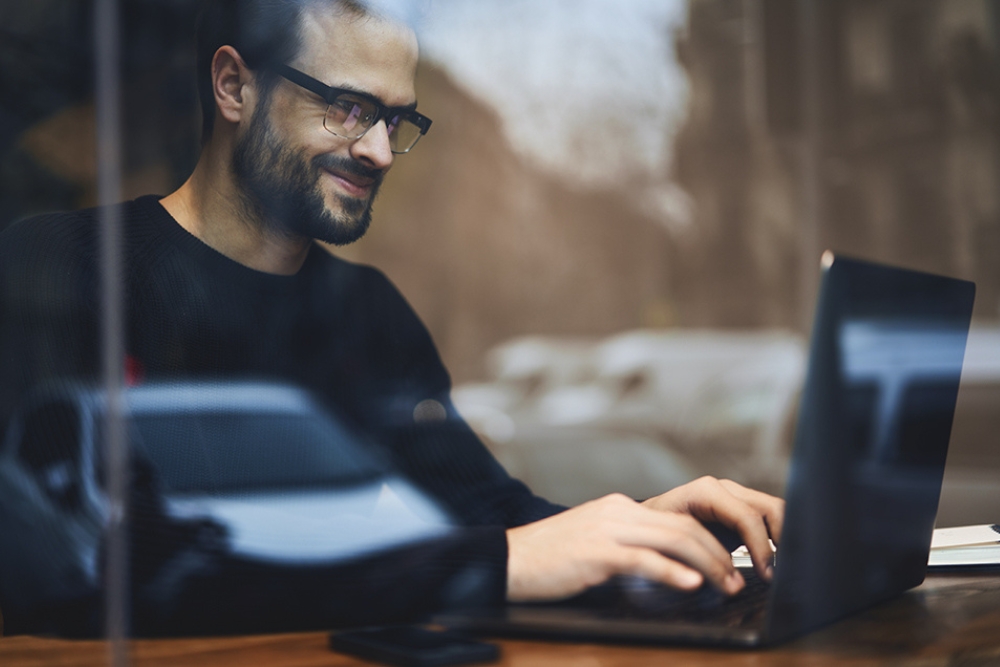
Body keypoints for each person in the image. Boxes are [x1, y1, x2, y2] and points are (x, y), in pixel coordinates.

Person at [0, 0, 783, 636]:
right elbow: (97, 564)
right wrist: (488, 564)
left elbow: (484, 514)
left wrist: (639, 529)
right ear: (234, 87)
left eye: (398, 120)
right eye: (347, 108)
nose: (377, 150)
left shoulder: (370, 312)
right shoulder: (63, 269)